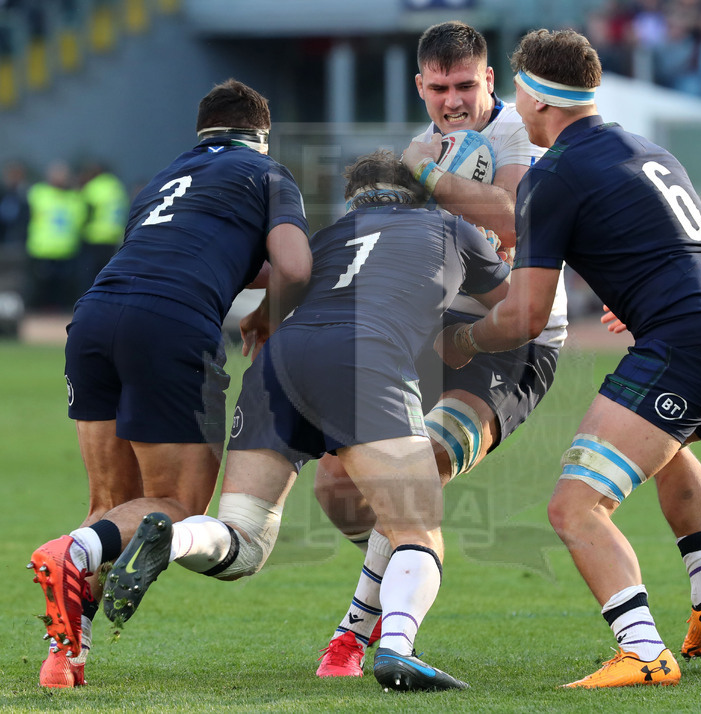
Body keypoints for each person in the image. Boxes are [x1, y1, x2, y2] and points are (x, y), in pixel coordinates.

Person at [436, 28, 701, 688]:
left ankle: (643, 651)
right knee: (670, 446)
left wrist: (465, 341)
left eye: (515, 88)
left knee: (574, 507)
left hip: (691, 346)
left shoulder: (554, 175)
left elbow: (528, 317)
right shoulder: (647, 149)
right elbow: (670, 246)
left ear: (535, 95)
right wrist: (638, 299)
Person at [100, 149, 512, 693]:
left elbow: (288, 283)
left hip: (280, 363)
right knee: (417, 527)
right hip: (365, 359)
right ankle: (397, 650)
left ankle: (173, 541)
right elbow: (515, 306)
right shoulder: (452, 227)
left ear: (353, 201)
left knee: (243, 543)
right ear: (422, 193)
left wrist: (264, 315)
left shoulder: (329, 237)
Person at [27, 78, 311, 689]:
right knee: (177, 507)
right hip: (172, 325)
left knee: (111, 508)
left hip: (96, 316)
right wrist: (267, 319)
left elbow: (209, 248)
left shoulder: (161, 179)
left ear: (201, 133)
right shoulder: (267, 174)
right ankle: (68, 553)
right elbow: (293, 266)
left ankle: (65, 657)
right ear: (261, 136)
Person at [312, 20, 568, 677]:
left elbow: (512, 215)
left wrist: (426, 176)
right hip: (428, 338)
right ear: (419, 86)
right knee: (337, 484)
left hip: (511, 337)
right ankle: (387, 591)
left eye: (464, 85)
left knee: (417, 470)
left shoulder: (516, 132)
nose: (453, 99)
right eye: (439, 88)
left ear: (489, 80)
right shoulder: (423, 143)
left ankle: (361, 633)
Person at [24, 160, 86, 312]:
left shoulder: (75, 198)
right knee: (40, 290)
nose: (59, 178)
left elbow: (80, 221)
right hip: (42, 250)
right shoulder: (38, 193)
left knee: (62, 291)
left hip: (66, 251)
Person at [76, 161, 129, 294]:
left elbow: (84, 212)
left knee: (89, 274)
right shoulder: (117, 186)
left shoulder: (94, 187)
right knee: (106, 273)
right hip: (113, 237)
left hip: (94, 236)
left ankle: (87, 300)